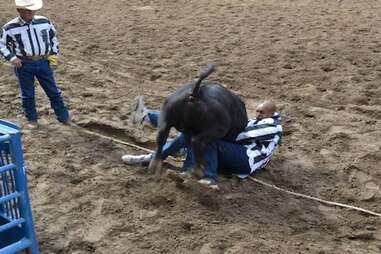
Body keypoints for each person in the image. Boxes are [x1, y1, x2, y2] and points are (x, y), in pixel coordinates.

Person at [122, 96, 283, 189]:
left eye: (262, 112)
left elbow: (238, 135)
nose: (258, 114)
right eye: (257, 111)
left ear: (271, 113)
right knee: (194, 131)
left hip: (246, 160)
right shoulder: (254, 122)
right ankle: (154, 154)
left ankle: (209, 178)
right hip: (235, 156)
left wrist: (211, 127)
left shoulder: (274, 127)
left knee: (205, 137)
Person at [0, 0, 70, 129]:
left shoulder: (44, 22)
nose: (31, 12)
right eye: (27, 10)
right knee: (28, 94)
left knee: (53, 91)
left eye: (32, 9)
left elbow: (53, 37)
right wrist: (12, 58)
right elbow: (2, 44)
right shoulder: (9, 27)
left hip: (44, 62)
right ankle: (32, 119)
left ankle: (64, 117)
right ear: (19, 11)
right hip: (23, 64)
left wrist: (53, 54)